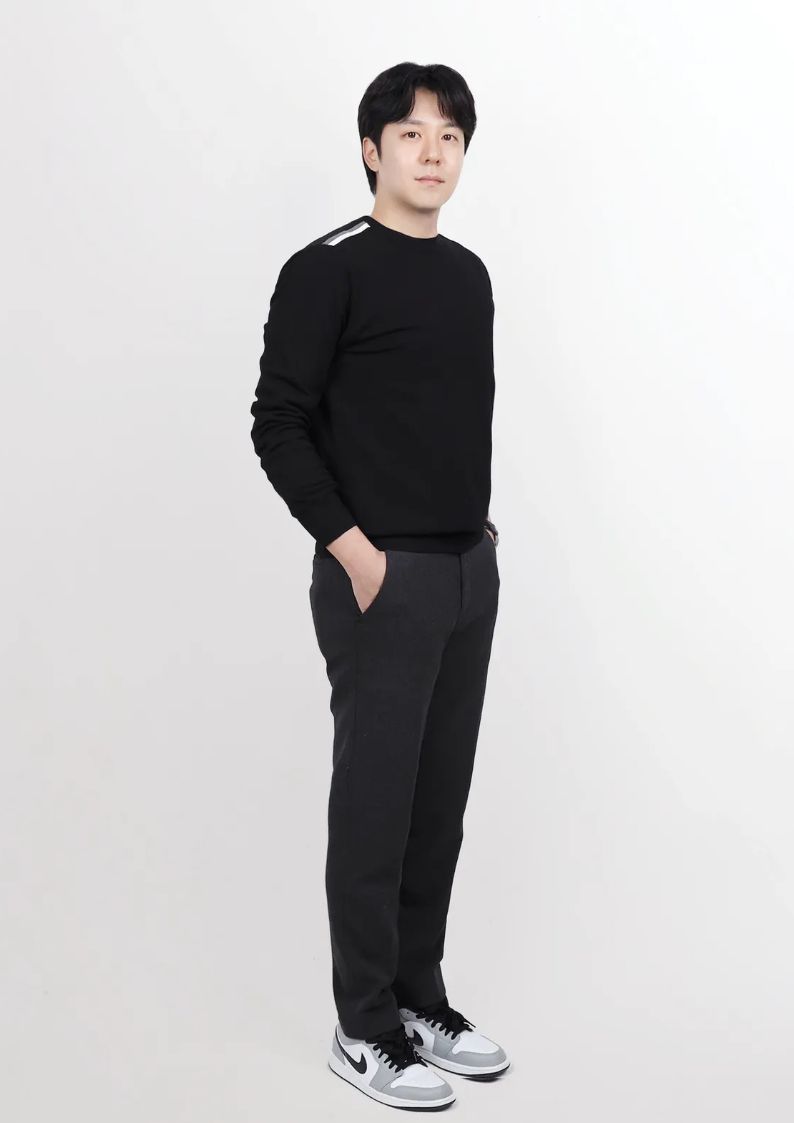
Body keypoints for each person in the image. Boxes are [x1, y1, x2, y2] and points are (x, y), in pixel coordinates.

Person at [250, 61, 508, 1111]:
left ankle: (417, 998)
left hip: (467, 573)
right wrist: (356, 553)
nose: (432, 152)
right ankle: (361, 1025)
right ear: (371, 150)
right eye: (410, 134)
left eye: (449, 136)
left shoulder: (468, 275)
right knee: (375, 808)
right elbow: (277, 421)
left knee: (436, 807)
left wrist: (477, 542)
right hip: (379, 579)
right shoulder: (328, 271)